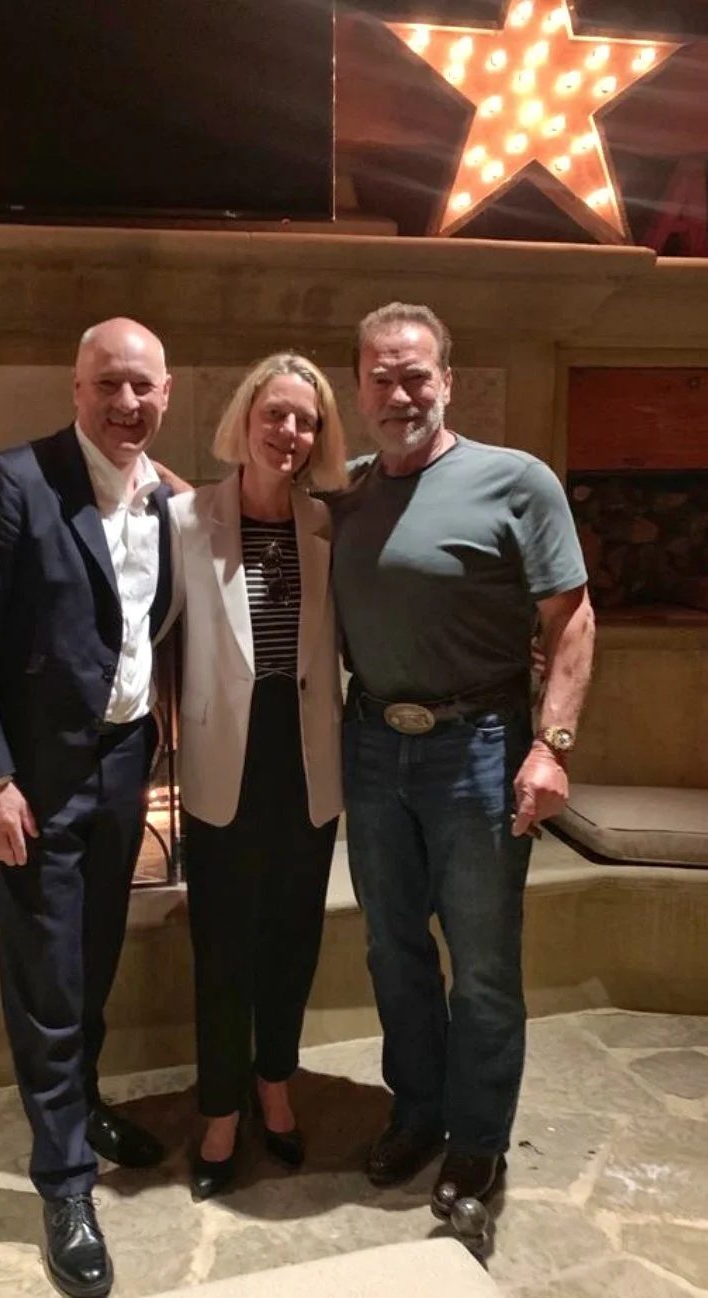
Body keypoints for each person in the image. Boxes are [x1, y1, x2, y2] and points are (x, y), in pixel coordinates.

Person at [0, 318, 188, 1298]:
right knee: (47, 977)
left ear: (165, 393)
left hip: (125, 762)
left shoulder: (163, 497)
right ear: (75, 386)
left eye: (142, 388)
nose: (126, 404)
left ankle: (76, 1107)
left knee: (95, 959)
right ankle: (66, 1182)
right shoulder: (13, 483)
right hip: (32, 779)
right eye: (107, 386)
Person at [331, 302, 595, 1216]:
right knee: (391, 948)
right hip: (368, 745)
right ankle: (418, 1112)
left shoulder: (516, 481)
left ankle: (478, 1143)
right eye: (380, 376)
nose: (399, 392)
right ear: (357, 387)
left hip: (478, 751)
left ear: (447, 379)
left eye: (416, 374)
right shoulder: (349, 488)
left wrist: (550, 747)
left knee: (481, 963)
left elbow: (573, 619)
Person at [162, 353, 348, 1200]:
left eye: (304, 420)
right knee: (222, 944)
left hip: (306, 760)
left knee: (291, 938)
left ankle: (275, 1083)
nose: (288, 431)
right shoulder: (184, 518)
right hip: (220, 763)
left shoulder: (330, 523)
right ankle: (220, 1108)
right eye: (274, 414)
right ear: (243, 419)